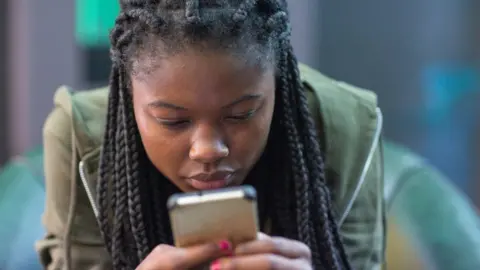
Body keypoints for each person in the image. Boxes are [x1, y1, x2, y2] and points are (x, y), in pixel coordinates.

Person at [36, 0, 385, 269]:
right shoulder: (79, 139)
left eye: (241, 114)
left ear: (279, 83)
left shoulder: (349, 127)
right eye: (172, 121)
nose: (208, 150)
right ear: (128, 93)